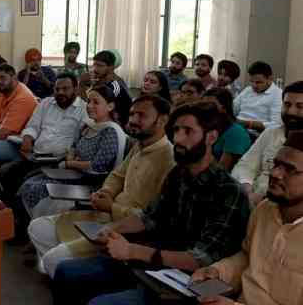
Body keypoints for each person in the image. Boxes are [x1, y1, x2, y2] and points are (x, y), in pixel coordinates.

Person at [52, 101, 250, 305]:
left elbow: (199, 259)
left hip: (190, 281)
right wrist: (111, 228)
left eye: (188, 131)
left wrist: (132, 251)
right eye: (176, 130)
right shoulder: (179, 174)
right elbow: (150, 217)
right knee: (66, 272)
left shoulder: (228, 191)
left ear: (211, 137)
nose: (179, 139)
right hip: (153, 263)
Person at [28, 95, 174, 277]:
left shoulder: (170, 160)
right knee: (37, 228)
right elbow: (117, 176)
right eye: (132, 114)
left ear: (162, 120)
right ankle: (70, 272)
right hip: (104, 215)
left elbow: (151, 219)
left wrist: (112, 207)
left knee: (52, 260)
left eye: (142, 115)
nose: (134, 120)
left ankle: (70, 271)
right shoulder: (140, 146)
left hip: (127, 230)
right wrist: (105, 193)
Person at [191, 132, 303, 305]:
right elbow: (248, 259)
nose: (275, 173)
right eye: (276, 164)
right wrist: (217, 272)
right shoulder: (265, 209)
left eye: (289, 169)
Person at [0, 73, 88, 239]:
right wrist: (27, 138)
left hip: (58, 162)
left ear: (75, 89)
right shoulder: (46, 103)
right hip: (35, 156)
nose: (60, 92)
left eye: (65, 89)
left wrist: (67, 157)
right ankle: (11, 220)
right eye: (57, 89)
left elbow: (79, 143)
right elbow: (32, 126)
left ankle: (22, 230)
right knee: (4, 173)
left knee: (25, 181)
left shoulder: (84, 110)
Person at [18, 85, 124, 218]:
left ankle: (35, 226)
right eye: (89, 101)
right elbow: (73, 147)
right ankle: (22, 224)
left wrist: (70, 163)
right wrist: (72, 158)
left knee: (38, 188)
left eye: (96, 102)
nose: (90, 106)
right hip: (76, 173)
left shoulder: (110, 131)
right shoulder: (88, 125)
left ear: (110, 106)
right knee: (30, 181)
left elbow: (97, 167)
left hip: (92, 182)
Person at [232, 81, 303, 207]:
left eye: (300, 106)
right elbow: (245, 166)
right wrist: (247, 190)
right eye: (287, 105)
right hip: (250, 200)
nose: (291, 111)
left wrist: (263, 198)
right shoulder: (271, 133)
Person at [202, 88, 251, 172]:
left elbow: (222, 171)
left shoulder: (236, 132)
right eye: (203, 105)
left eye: (210, 105)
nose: (204, 109)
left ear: (224, 108)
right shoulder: (210, 127)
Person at [233, 61, 283, 137]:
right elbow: (233, 108)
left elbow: (276, 125)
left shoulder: (278, 95)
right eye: (251, 81)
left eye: (258, 82)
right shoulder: (248, 90)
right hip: (237, 128)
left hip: (254, 134)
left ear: (270, 79)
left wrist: (249, 124)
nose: (254, 86)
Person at [88, 50, 132, 127]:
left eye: (100, 66)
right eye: (94, 65)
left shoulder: (116, 85)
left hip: (117, 124)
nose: (95, 69)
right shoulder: (99, 81)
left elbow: (108, 110)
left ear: (111, 67)